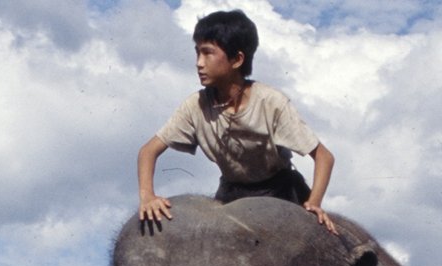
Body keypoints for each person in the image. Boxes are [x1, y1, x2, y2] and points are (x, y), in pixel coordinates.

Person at [138, 9, 338, 233]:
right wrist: (148, 196)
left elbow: (324, 157)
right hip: (232, 194)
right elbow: (148, 151)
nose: (198, 63)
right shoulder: (195, 106)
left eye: (207, 53)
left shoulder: (270, 102)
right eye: (197, 53)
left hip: (280, 192)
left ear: (237, 59)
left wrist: (314, 203)